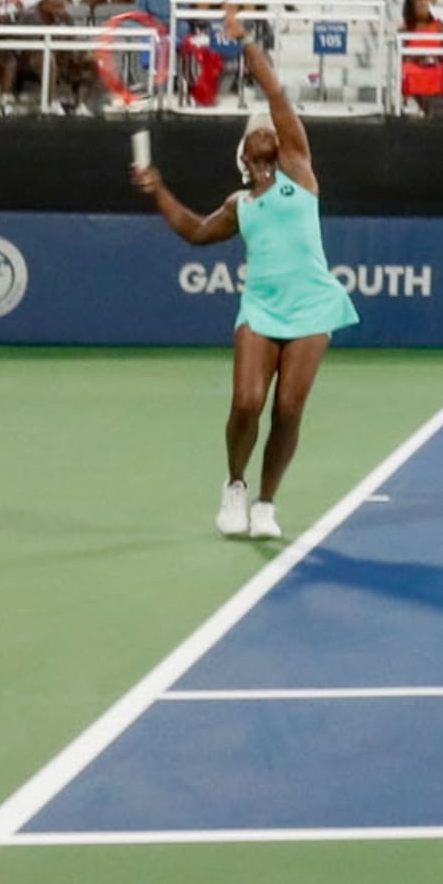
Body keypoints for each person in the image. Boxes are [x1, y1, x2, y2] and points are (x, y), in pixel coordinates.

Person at [132, 37, 357, 540]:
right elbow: (193, 231)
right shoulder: (240, 205)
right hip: (261, 308)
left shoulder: (298, 172)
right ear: (245, 152)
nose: (265, 130)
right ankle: (234, 486)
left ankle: (266, 504)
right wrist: (158, 190)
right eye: (256, 131)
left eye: (270, 129)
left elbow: (274, 93)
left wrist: (248, 43)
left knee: (289, 409)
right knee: (248, 402)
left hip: (312, 306)